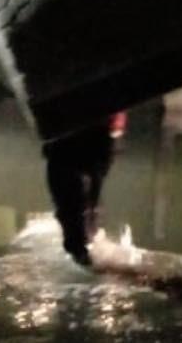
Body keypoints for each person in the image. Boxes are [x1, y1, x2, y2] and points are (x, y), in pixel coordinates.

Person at [41, 114, 120, 266]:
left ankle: (82, 248)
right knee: (84, 199)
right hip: (92, 140)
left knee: (73, 203)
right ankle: (85, 243)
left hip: (71, 140)